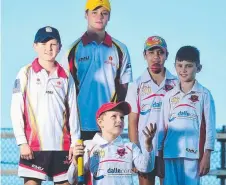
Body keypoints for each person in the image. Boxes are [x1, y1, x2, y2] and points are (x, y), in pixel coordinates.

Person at [11, 26, 80, 185]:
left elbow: (73, 113)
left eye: (53, 44)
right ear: (35, 46)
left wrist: (75, 143)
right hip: (33, 148)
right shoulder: (25, 73)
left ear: (60, 47)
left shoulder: (65, 76)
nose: (48, 48)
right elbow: (16, 110)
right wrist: (22, 142)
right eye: (43, 43)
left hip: (63, 147)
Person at [61, 0, 132, 141]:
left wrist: (112, 114)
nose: (99, 17)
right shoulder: (72, 50)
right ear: (86, 15)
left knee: (111, 163)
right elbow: (64, 89)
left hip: (109, 125)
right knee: (82, 163)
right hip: (80, 125)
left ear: (109, 16)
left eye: (104, 13)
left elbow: (124, 87)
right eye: (94, 12)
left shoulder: (120, 49)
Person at [158, 46, 216, 185]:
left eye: (189, 66)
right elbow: (162, 127)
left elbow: (210, 127)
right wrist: (158, 156)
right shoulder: (169, 96)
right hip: (170, 153)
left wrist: (207, 155)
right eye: (180, 65)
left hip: (193, 154)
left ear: (198, 67)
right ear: (175, 66)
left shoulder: (204, 94)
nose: (183, 70)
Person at [125, 36, 177, 185]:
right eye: (151, 52)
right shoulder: (136, 85)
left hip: (169, 149)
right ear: (144, 55)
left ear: (166, 55)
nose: (156, 57)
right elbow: (132, 121)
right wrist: (135, 153)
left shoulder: (176, 84)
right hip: (145, 149)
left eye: (160, 53)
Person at [67, 101, 157, 185]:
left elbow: (146, 168)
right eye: (114, 116)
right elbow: (72, 180)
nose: (120, 120)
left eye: (122, 117)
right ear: (100, 122)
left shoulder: (130, 147)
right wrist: (75, 162)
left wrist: (148, 146)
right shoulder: (88, 146)